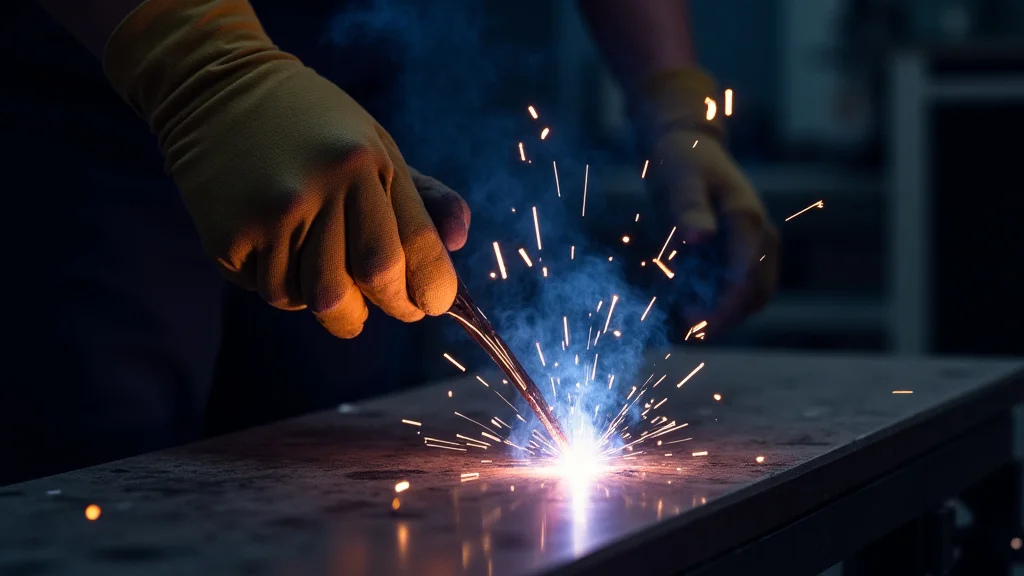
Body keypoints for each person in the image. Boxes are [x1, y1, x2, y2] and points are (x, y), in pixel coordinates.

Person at [1, 0, 777, 485]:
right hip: (101, 67)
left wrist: (672, 101)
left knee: (324, 457)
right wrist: (200, 63)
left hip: (348, 99)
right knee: (98, 465)